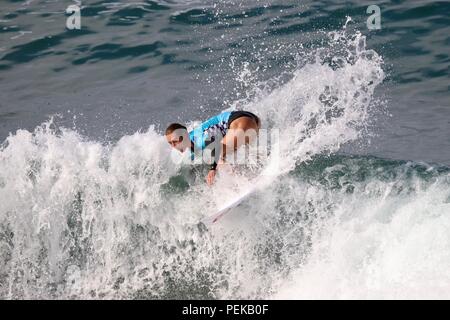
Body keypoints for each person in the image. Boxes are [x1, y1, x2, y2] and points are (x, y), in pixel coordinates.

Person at [165, 111, 261, 185]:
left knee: (221, 154)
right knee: (235, 152)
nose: (174, 146)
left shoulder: (199, 139)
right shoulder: (189, 140)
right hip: (250, 120)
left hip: (241, 122)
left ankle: (243, 183)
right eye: (170, 143)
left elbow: (216, 146)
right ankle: (256, 171)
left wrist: (212, 169)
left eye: (175, 141)